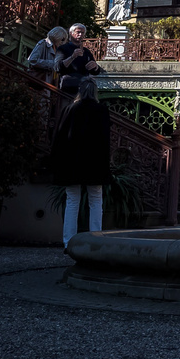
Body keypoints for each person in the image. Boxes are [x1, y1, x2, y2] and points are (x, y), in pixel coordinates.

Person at [50, 77, 111, 253]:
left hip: (72, 162)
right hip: (94, 162)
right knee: (96, 200)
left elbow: (60, 137)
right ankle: (96, 239)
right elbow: (105, 140)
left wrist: (56, 161)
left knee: (72, 200)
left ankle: (68, 241)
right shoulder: (101, 110)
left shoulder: (70, 109)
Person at [56, 22, 103, 94]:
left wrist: (95, 67)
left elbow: (95, 71)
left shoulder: (86, 52)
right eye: (78, 32)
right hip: (68, 87)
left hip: (83, 88)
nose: (80, 35)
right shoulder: (62, 49)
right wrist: (72, 57)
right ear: (71, 33)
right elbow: (58, 67)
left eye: (82, 33)